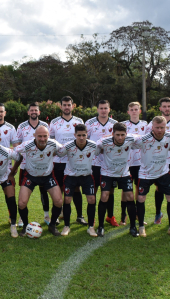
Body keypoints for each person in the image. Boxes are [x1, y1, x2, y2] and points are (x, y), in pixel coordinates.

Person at [133, 116, 170, 239]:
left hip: (163, 172)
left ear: (166, 127)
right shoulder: (144, 139)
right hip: (146, 173)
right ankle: (141, 227)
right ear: (152, 127)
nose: (160, 130)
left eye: (162, 127)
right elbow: (130, 141)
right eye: (157, 127)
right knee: (141, 198)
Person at [12, 126, 63, 236]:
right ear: (34, 136)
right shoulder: (27, 145)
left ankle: (52, 225)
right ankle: (25, 226)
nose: (42, 139)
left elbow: (63, 150)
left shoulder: (53, 143)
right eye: (39, 136)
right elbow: (15, 151)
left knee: (59, 201)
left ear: (48, 136)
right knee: (21, 203)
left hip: (48, 176)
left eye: (45, 136)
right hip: (31, 176)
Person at [95, 122, 141, 237]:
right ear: (112, 134)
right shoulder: (103, 142)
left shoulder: (131, 139)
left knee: (130, 196)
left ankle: (133, 226)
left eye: (122, 135)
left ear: (126, 134)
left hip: (124, 173)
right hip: (107, 173)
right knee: (104, 195)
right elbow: (95, 150)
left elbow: (142, 138)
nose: (120, 137)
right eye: (117, 135)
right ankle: (100, 226)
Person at [145, 98, 170, 225]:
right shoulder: (151, 124)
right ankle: (158, 213)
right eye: (164, 106)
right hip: (159, 162)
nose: (167, 108)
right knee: (159, 188)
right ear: (160, 108)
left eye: (169, 106)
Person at [56, 124, 99, 237]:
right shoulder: (68, 146)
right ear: (74, 135)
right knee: (67, 200)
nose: (81, 138)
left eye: (83, 135)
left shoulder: (93, 145)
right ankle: (66, 226)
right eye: (78, 135)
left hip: (87, 176)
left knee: (91, 199)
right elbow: (59, 153)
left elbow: (101, 152)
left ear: (87, 135)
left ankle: (91, 227)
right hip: (71, 176)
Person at [50, 96, 86, 225]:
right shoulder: (54, 122)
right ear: (60, 106)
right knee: (58, 188)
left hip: (74, 161)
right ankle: (59, 213)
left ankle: (80, 215)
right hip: (59, 160)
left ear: (73, 106)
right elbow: (52, 141)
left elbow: (83, 140)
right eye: (64, 105)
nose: (66, 107)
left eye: (68, 105)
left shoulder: (79, 121)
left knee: (76, 188)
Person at [16, 102, 51, 224]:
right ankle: (22, 217)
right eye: (31, 110)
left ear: (39, 112)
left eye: (36, 110)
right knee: (24, 191)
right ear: (28, 112)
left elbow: (49, 142)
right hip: (26, 164)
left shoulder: (45, 125)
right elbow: (17, 144)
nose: (34, 112)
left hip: (42, 164)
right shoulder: (21, 126)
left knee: (44, 191)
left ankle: (47, 215)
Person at [85, 100, 118, 226]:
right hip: (94, 163)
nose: (103, 110)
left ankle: (110, 216)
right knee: (93, 191)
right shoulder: (89, 123)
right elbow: (85, 141)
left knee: (110, 191)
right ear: (97, 109)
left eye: (106, 108)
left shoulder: (115, 124)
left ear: (109, 109)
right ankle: (92, 218)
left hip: (110, 164)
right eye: (101, 108)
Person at [121, 102, 148, 225]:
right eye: (131, 109)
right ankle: (123, 215)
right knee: (126, 189)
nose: (134, 111)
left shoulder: (145, 125)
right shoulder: (124, 125)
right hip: (126, 162)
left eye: (136, 109)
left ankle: (137, 213)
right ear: (128, 112)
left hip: (141, 162)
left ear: (140, 111)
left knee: (139, 188)